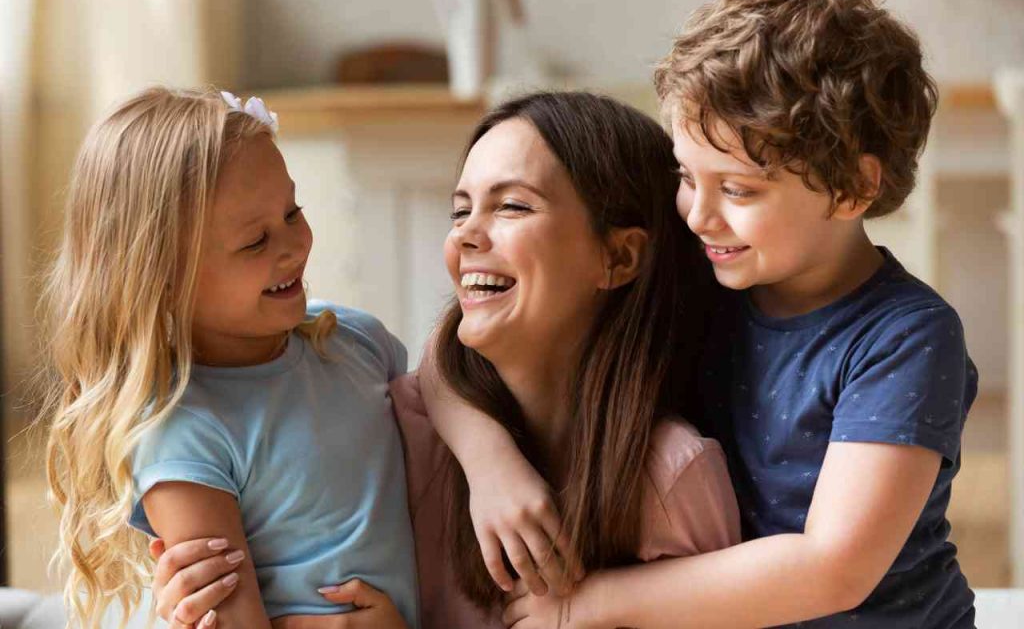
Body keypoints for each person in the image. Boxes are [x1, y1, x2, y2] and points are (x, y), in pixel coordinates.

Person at [417, 0, 978, 627]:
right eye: (687, 176)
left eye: (738, 189)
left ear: (853, 185)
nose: (698, 214)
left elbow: (833, 566)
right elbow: (452, 355)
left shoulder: (905, 337)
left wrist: (588, 603)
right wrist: (490, 461)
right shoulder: (715, 266)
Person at [145, 91, 742, 629]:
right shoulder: (403, 429)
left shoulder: (671, 478)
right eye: (460, 212)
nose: (466, 237)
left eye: (511, 206)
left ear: (618, 258)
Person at [38, 88, 417, 629]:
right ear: (163, 280)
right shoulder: (183, 433)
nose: (294, 245)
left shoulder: (357, 341)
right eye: (255, 242)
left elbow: (444, 443)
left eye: (293, 212)